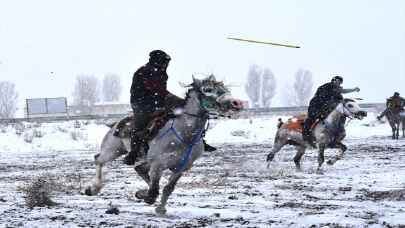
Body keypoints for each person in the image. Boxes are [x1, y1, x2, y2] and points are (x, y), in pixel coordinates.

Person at [115, 50, 216, 165]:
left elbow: (160, 92)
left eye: (167, 62)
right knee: (140, 126)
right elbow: (156, 89)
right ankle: (134, 154)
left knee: (185, 113)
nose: (166, 64)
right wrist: (172, 98)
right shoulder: (144, 72)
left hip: (159, 100)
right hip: (141, 104)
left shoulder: (162, 73)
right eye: (165, 62)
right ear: (157, 61)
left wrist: (180, 102)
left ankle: (199, 140)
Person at [302, 76, 360, 147]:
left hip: (326, 107)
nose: (338, 83)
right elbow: (341, 92)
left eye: (340, 82)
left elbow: (340, 97)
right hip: (316, 106)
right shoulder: (326, 87)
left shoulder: (336, 91)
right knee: (311, 118)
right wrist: (353, 89)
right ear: (333, 80)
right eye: (337, 81)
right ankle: (306, 136)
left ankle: (336, 134)